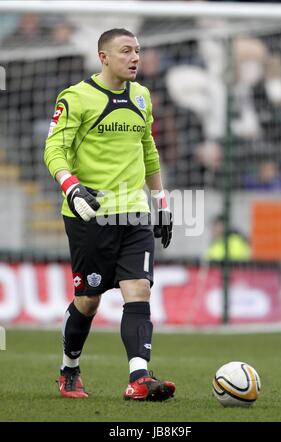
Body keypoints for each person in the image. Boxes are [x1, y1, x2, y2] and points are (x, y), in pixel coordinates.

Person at [44, 28, 175, 401]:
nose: (134, 57)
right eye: (125, 51)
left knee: (139, 290)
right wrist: (71, 186)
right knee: (89, 299)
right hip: (90, 212)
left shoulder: (142, 96)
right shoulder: (76, 98)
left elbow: (149, 151)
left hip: (133, 212)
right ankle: (69, 368)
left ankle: (139, 378)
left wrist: (161, 203)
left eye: (137, 50)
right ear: (103, 57)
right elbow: (53, 149)